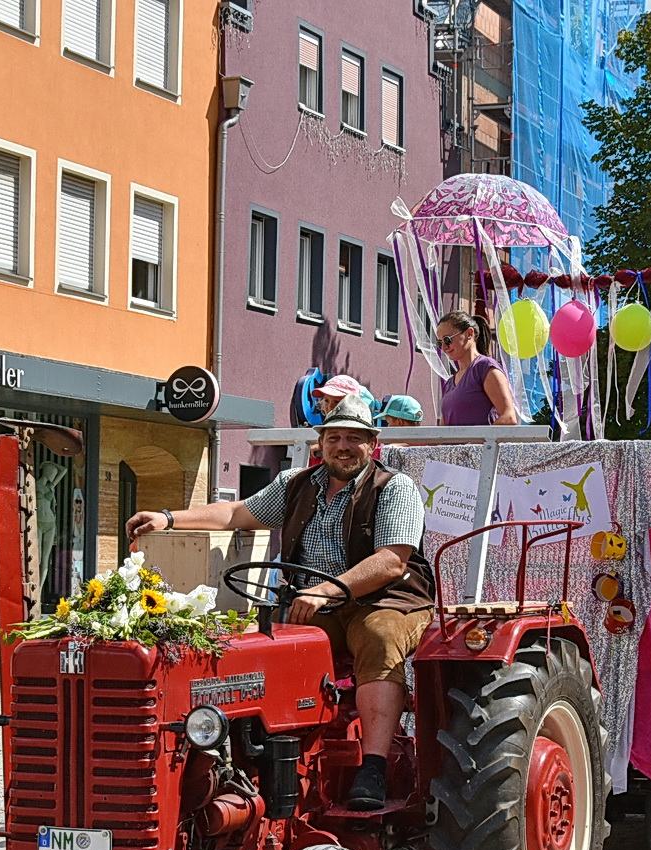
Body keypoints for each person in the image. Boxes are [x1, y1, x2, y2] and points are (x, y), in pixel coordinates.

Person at [127, 396, 433, 811]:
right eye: (334, 437)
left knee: (378, 639)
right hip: (312, 605)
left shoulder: (395, 487)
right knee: (263, 649)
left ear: (372, 444)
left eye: (354, 439)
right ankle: (264, 758)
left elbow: (391, 561)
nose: (343, 446)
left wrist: (326, 590)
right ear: (321, 443)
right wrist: (168, 518)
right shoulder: (296, 485)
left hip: (384, 602)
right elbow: (234, 513)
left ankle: (373, 767)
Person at [436, 310, 521, 426]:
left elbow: (508, 418)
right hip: (456, 445)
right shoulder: (449, 383)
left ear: (469, 333)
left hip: (482, 445)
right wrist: (406, 444)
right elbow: (441, 434)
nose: (444, 347)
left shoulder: (485, 368)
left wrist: (473, 444)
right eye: (440, 343)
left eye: (447, 340)